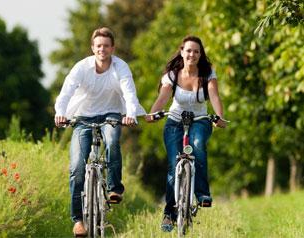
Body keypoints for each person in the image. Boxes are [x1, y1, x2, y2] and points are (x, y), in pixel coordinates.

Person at [54, 27, 145, 237]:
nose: (102, 49)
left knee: (112, 141)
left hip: (111, 114)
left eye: (106, 46)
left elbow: (129, 93)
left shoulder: (120, 67)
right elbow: (66, 92)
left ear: (112, 48)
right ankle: (78, 220)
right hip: (82, 117)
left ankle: (114, 188)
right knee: (77, 166)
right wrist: (60, 113)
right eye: (98, 46)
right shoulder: (81, 68)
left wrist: (130, 114)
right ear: (92, 48)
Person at [145, 35, 227, 232]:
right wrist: (152, 112)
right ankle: (169, 214)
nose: (192, 54)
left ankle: (202, 194)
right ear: (182, 52)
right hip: (174, 122)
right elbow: (163, 96)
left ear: (200, 54)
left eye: (196, 51)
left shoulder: (207, 73)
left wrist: (219, 117)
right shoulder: (173, 75)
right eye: (189, 50)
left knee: (198, 146)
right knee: (174, 165)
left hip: (199, 121)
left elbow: (214, 96)